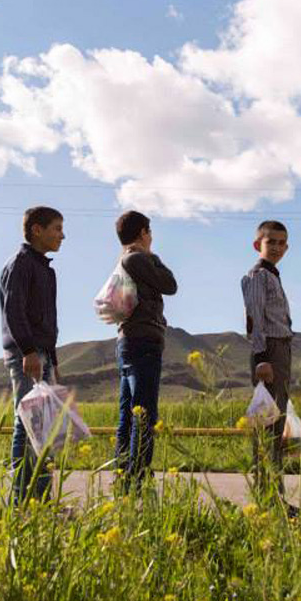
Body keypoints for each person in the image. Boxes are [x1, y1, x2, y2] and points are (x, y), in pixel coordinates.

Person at [0, 205, 65, 504]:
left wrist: (53, 359)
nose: (62, 235)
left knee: (44, 429)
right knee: (27, 425)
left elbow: (46, 321)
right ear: (36, 230)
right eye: (56, 228)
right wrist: (28, 351)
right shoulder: (21, 264)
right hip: (28, 355)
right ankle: (22, 502)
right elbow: (14, 310)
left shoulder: (44, 270)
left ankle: (42, 501)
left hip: (42, 355)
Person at [113, 210, 178, 491]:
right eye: (149, 232)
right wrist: (153, 255)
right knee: (144, 413)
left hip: (128, 341)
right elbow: (170, 284)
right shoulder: (138, 258)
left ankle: (124, 474)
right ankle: (137, 476)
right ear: (143, 233)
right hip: (143, 342)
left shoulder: (124, 261)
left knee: (128, 411)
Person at [241, 219, 296, 511]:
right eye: (270, 242)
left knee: (276, 428)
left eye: (281, 242)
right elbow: (255, 319)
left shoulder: (273, 276)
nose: (275, 247)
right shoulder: (257, 276)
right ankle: (267, 500)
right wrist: (262, 357)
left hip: (281, 350)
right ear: (257, 245)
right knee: (267, 428)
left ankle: (275, 498)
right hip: (269, 352)